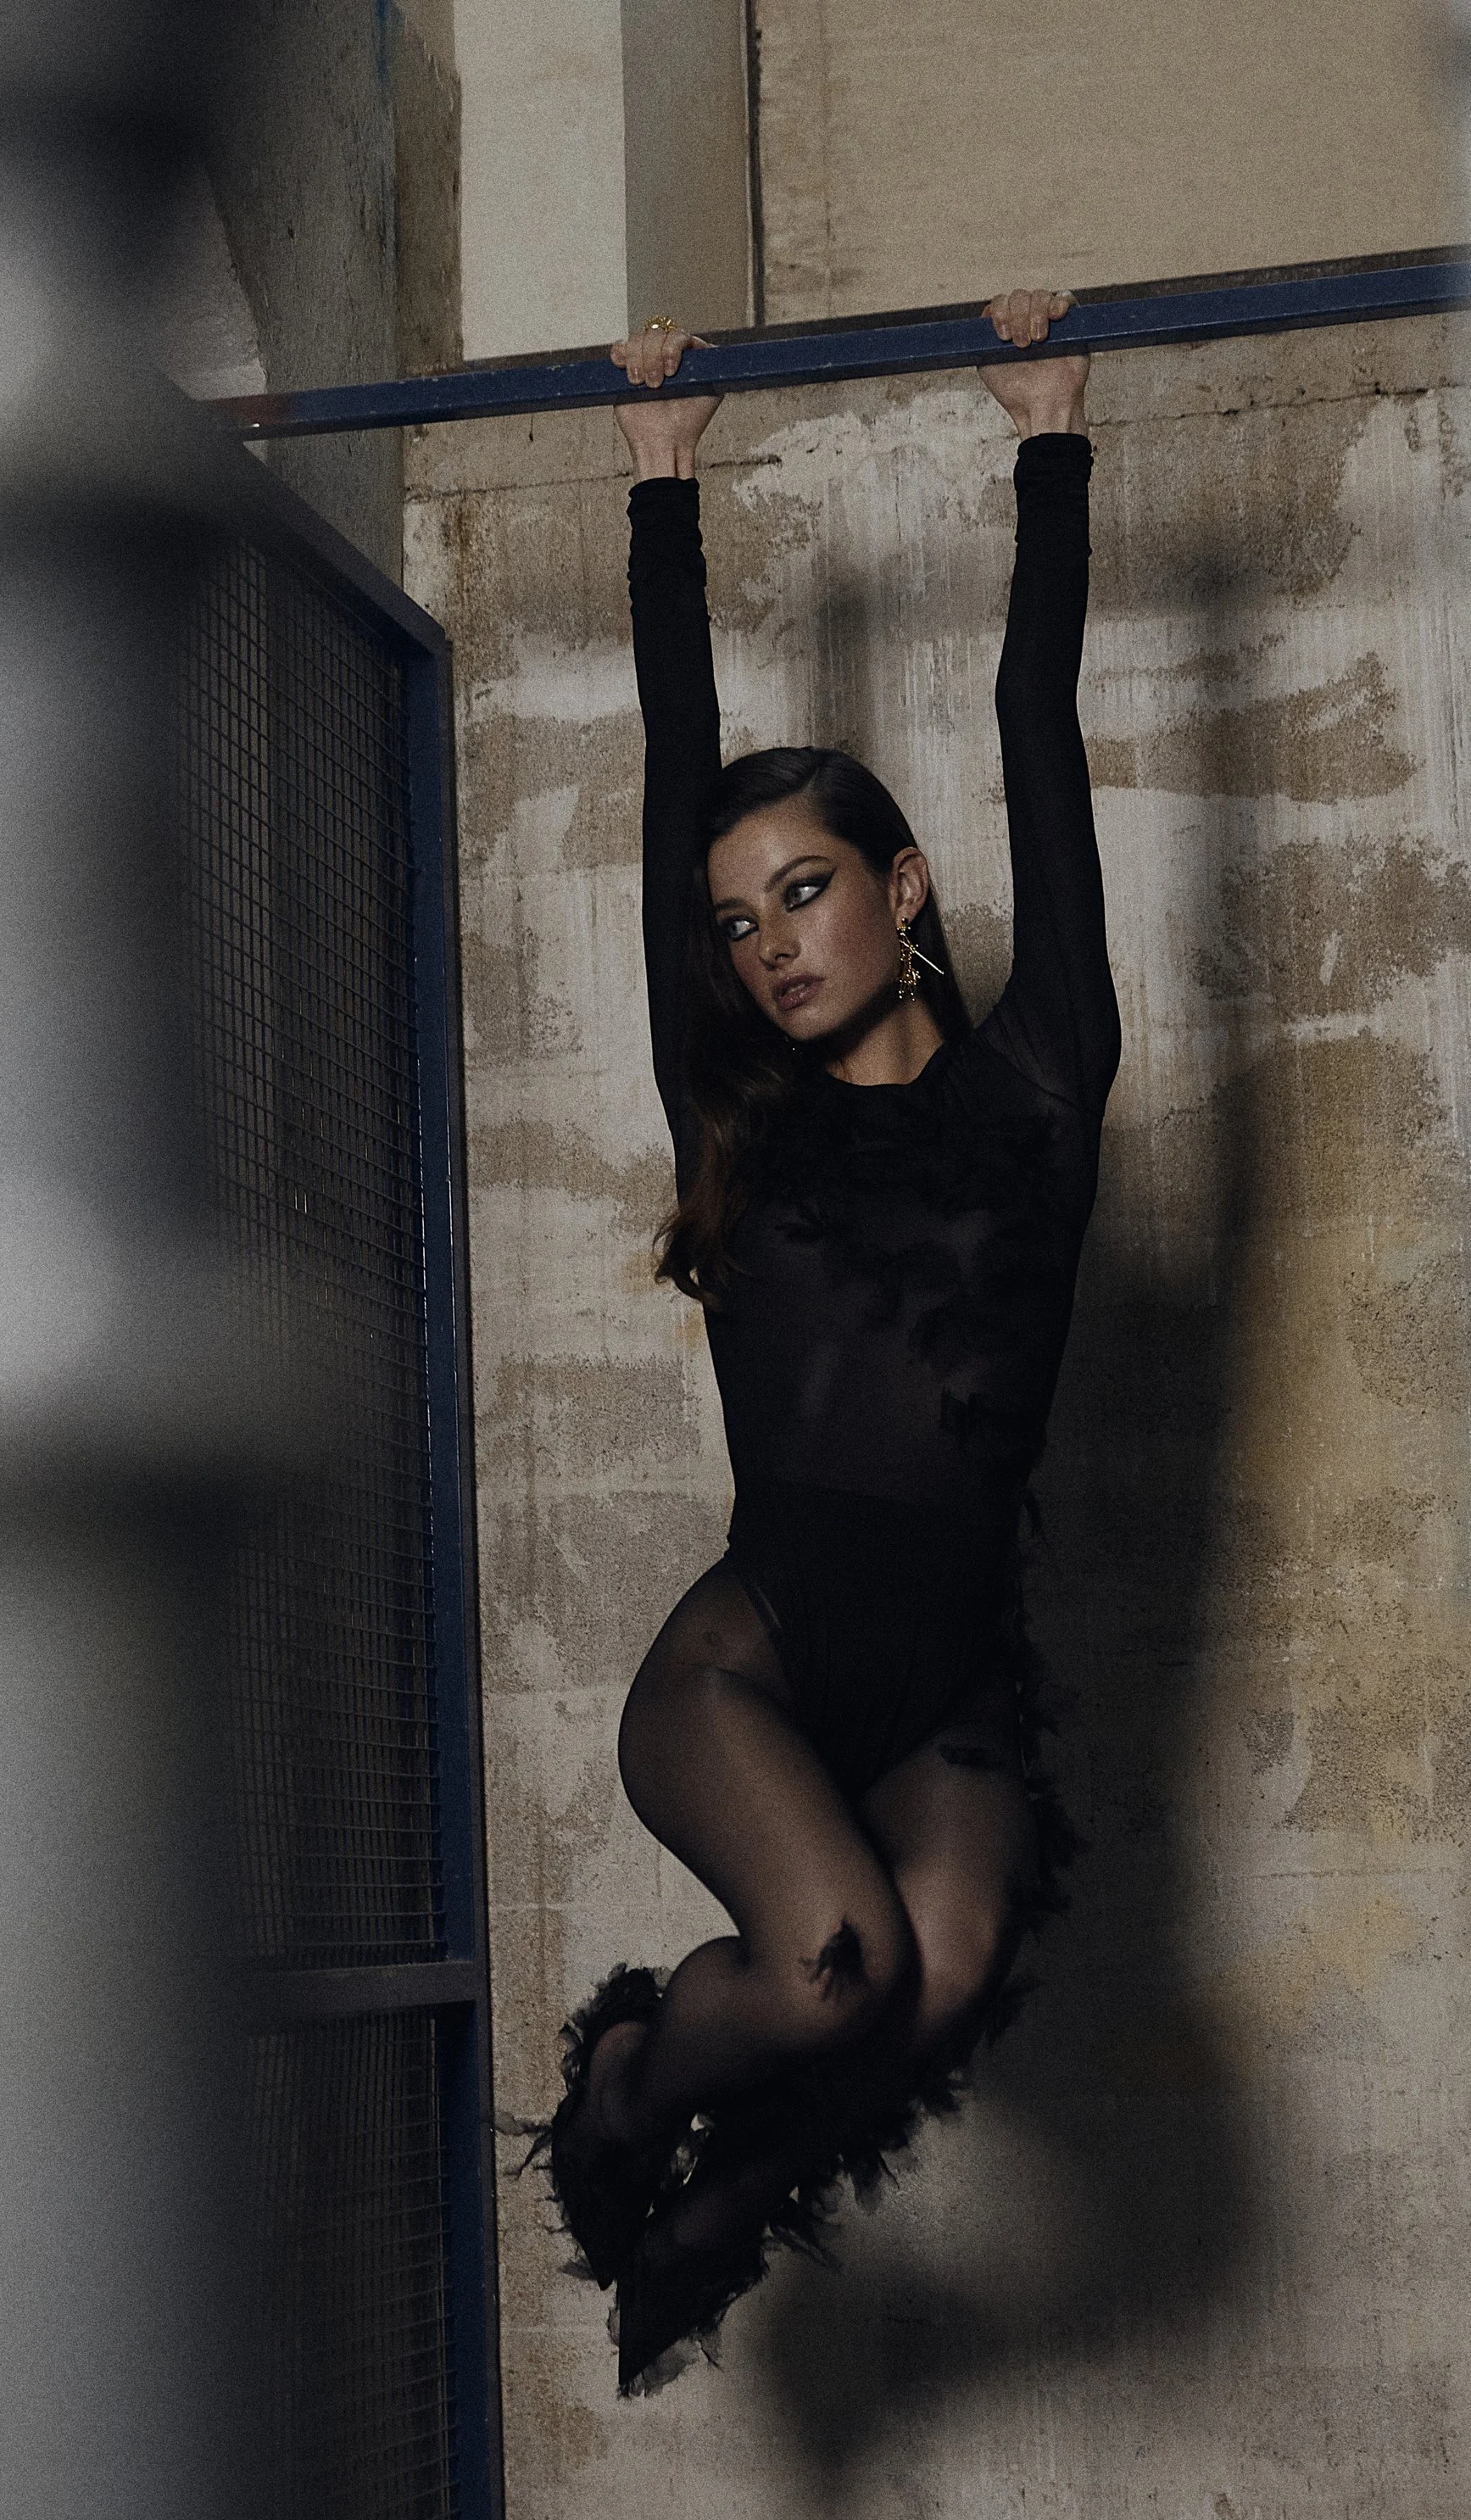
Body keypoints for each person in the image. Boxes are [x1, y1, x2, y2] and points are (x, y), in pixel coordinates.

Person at [537, 289, 1117, 2394]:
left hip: (945, 1678)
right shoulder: (741, 1125)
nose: (771, 945)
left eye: (804, 893)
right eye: (739, 921)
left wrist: (1045, 442)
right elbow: (663, 788)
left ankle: (706, 2212)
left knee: (937, 1979)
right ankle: (626, 2074)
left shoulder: (1047, 1082)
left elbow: (1034, 726)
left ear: (905, 884)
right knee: (830, 1965)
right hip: (751, 1665)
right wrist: (659, 495)